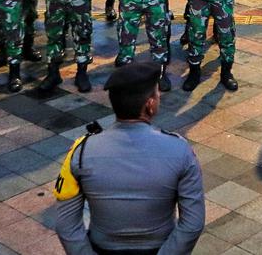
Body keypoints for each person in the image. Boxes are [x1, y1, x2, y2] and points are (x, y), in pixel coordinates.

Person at [53, 62, 205, 255]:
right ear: (150, 105)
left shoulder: (81, 151)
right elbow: (192, 224)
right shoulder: (180, 150)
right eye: (157, 94)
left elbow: (66, 225)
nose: (158, 97)